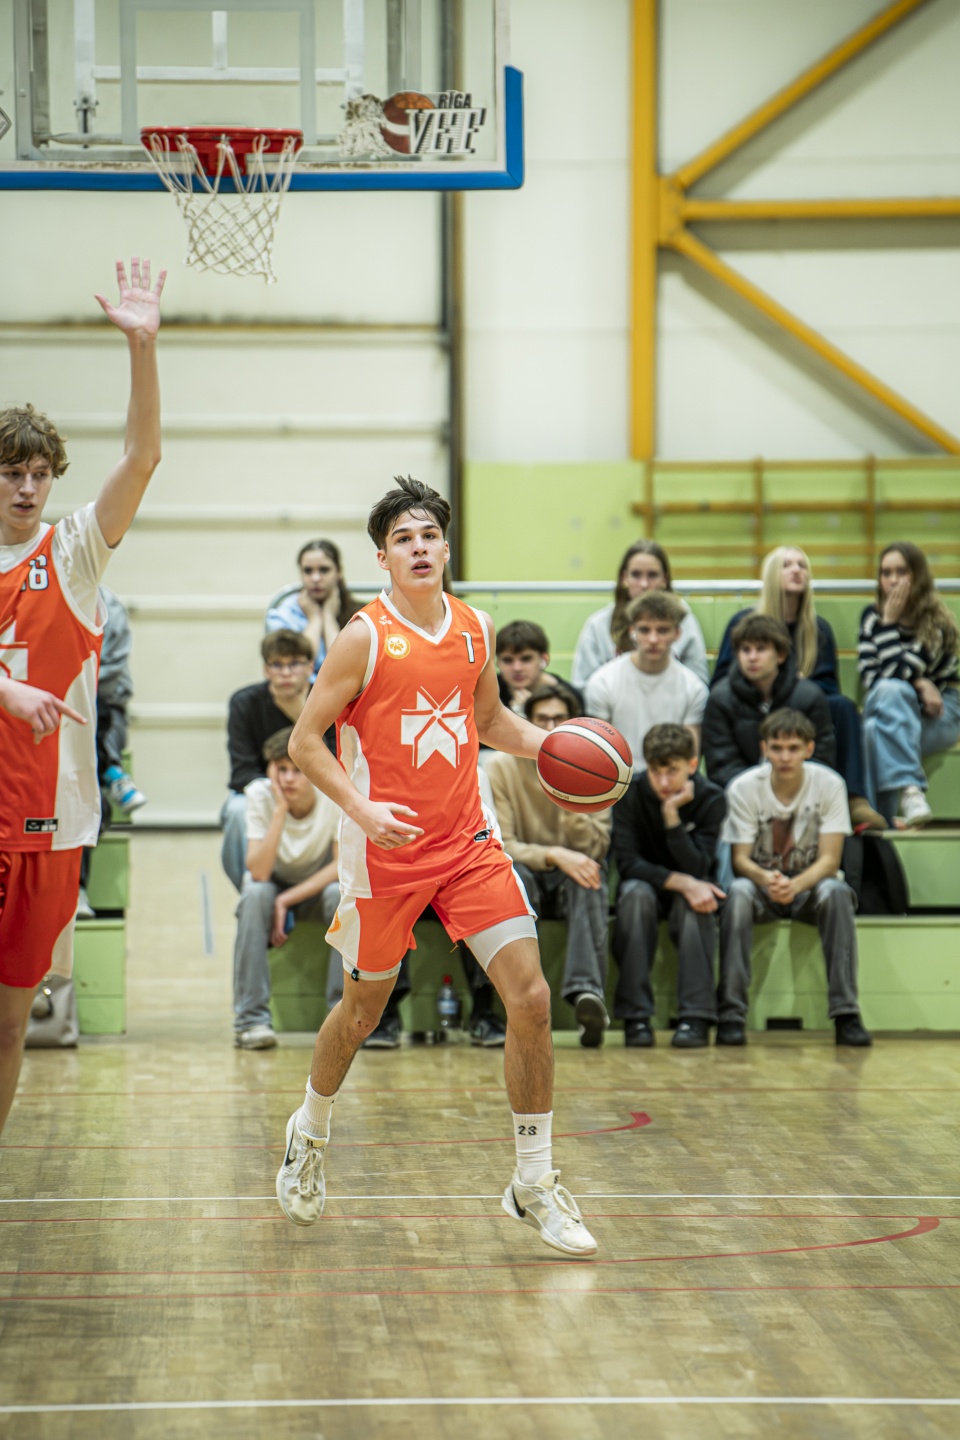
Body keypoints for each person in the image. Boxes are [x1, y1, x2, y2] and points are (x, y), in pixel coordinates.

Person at [275, 475, 597, 1258]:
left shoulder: (476, 628)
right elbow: (305, 743)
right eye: (403, 539)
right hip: (382, 854)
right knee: (362, 1015)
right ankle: (309, 1130)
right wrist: (363, 811)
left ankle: (534, 1181)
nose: (418, 548)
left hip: (466, 844)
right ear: (383, 558)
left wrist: (563, 748)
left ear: (446, 549)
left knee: (531, 997)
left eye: (428, 536)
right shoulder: (363, 637)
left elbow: (489, 721)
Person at [0, 256, 165, 1137]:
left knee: (10, 1023)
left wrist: (142, 346)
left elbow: (142, 457)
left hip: (51, 820)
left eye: (38, 473)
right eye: (10, 473)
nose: (27, 488)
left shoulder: (71, 553)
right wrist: (6, 691)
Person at [717, 709, 872, 1048]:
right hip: (762, 886)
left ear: (809, 749)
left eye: (793, 748)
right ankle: (731, 1014)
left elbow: (830, 860)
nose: (785, 757)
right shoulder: (743, 787)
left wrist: (795, 885)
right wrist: (769, 879)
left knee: (836, 891)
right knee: (738, 893)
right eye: (777, 748)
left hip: (810, 887)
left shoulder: (830, 784)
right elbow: (740, 860)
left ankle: (846, 1014)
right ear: (764, 749)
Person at [711, 545, 884, 830]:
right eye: (787, 565)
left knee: (843, 707)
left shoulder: (819, 629)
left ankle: (855, 799)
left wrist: (794, 684)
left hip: (801, 704)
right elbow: (722, 680)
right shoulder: (743, 623)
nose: (796, 571)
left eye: (802, 565)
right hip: (752, 702)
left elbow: (829, 686)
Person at [486, 683, 612, 1047]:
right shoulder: (501, 766)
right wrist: (554, 854)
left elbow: (596, 846)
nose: (551, 727)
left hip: (574, 871)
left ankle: (587, 994)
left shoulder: (600, 768)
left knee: (590, 877)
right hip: (527, 867)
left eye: (559, 719)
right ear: (528, 723)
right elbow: (504, 844)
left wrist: (568, 788)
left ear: (574, 723)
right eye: (542, 719)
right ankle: (520, 994)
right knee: (513, 878)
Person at [612, 724, 726, 1049]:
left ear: (692, 765)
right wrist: (682, 882)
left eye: (672, 771)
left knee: (699, 902)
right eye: (656, 771)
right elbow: (628, 863)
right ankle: (635, 1018)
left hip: (689, 887)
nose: (663, 782)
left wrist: (671, 815)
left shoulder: (711, 797)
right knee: (634, 894)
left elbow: (699, 866)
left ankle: (696, 1018)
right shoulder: (629, 794)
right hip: (646, 885)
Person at [233, 727, 342, 1049]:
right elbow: (259, 871)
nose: (289, 779)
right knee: (253, 894)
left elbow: (341, 866)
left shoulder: (334, 791)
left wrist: (286, 900)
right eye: (281, 769)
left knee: (342, 895)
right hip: (273, 883)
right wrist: (280, 810)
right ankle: (251, 1021)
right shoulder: (260, 795)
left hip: (317, 886)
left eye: (298, 770)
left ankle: (340, 1018)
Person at [859, 542, 960, 827]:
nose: (893, 580)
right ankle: (910, 791)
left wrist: (887, 625)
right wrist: (919, 682)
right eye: (886, 572)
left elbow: (895, 673)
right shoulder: (871, 617)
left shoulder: (936, 622)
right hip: (890, 705)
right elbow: (872, 678)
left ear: (918, 575)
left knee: (873, 730)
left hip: (939, 713)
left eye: (901, 572)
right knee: (889, 696)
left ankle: (880, 823)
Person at [221, 629, 314, 891]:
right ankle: (252, 890)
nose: (286, 673)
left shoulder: (326, 699)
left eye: (294, 664)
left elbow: (335, 760)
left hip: (315, 792)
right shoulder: (244, 703)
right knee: (236, 810)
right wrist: (279, 791)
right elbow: (241, 773)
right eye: (277, 664)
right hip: (263, 789)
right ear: (266, 670)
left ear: (310, 668)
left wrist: (301, 716)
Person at [703, 615, 835, 790]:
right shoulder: (720, 699)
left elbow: (822, 758)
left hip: (800, 794)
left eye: (761, 649)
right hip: (742, 796)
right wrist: (760, 792)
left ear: (780, 655)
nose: (752, 657)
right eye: (745, 650)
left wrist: (786, 791)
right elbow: (721, 765)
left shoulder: (809, 696)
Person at [585, 591, 708, 768]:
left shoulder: (694, 688)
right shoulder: (603, 682)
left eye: (663, 630)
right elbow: (598, 753)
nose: (653, 639)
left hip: (670, 781)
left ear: (677, 633)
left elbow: (690, 760)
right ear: (632, 631)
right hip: (619, 780)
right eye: (644, 630)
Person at [571, 539, 709, 689]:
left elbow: (699, 683)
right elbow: (582, 686)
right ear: (624, 578)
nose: (644, 584)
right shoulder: (599, 624)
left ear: (665, 579)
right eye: (636, 575)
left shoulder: (683, 620)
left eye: (652, 575)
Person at [266, 538, 361, 683]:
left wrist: (328, 618)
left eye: (324, 570)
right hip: (299, 691)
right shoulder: (283, 614)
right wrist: (315, 619)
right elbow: (294, 671)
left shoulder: (360, 614)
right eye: (308, 571)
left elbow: (345, 667)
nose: (315, 578)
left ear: (338, 572)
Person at [495, 620, 584, 716]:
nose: (517, 668)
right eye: (507, 660)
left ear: (544, 659)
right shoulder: (487, 691)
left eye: (526, 659)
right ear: (497, 662)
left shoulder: (569, 696)